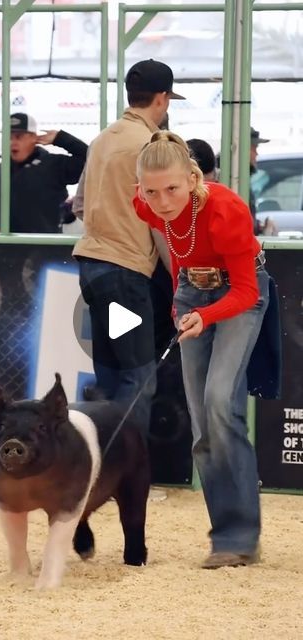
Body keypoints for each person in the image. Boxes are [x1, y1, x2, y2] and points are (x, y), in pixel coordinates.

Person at [134, 130, 270, 568]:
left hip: (238, 296)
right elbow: (179, 255)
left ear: (192, 178)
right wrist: (180, 302)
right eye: (151, 191)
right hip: (193, 296)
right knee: (201, 422)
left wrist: (205, 316)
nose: (162, 201)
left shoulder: (226, 210)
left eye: (172, 188)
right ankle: (226, 537)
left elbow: (248, 291)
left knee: (218, 402)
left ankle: (239, 536)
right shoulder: (147, 206)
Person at [72, 59, 185, 434]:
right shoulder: (153, 146)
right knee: (138, 379)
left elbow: (80, 204)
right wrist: (179, 275)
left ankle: (100, 469)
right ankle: (128, 475)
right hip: (125, 276)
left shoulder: (103, 139)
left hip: (92, 271)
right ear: (162, 98)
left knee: (109, 378)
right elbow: (160, 218)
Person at [0, 112, 87, 233]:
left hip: (46, 247)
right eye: (8, 137)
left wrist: (61, 138)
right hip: (4, 248)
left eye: (18, 136)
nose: (12, 142)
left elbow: (90, 161)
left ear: (33, 138)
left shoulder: (54, 165)